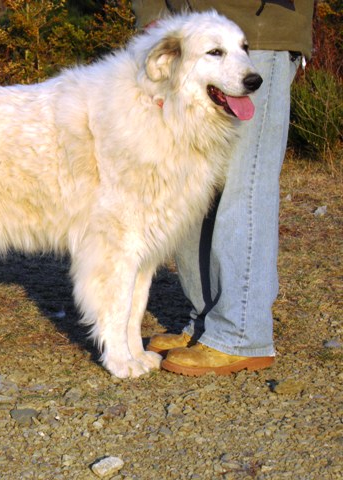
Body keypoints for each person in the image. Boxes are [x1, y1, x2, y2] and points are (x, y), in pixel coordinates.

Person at [132, 1, 315, 375]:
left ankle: (241, 335)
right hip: (186, 25)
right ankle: (205, 321)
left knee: (243, 187)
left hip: (259, 26)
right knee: (188, 189)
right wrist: (151, 13)